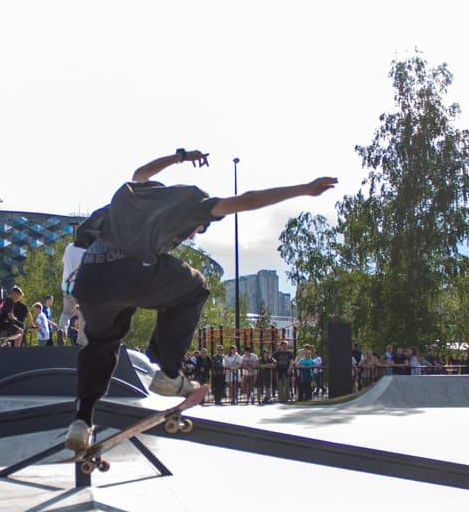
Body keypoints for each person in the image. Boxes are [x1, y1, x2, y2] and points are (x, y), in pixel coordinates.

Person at [64, 148, 336, 453]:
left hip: (90, 277)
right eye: (198, 230)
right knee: (194, 286)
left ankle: (82, 419)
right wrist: (304, 189)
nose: (193, 236)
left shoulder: (137, 190)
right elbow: (248, 200)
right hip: (130, 270)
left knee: (102, 344)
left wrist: (180, 157)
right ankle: (168, 374)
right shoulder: (191, 204)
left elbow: (144, 169)